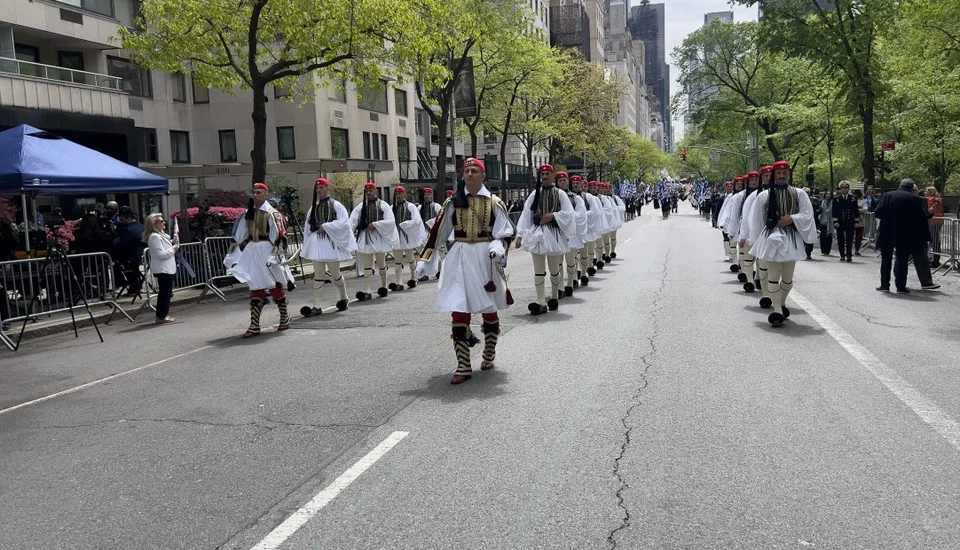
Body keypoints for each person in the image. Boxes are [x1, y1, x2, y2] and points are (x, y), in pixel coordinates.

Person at [415, 158, 516, 385]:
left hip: (484, 258)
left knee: (488, 308)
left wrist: (498, 246)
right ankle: (463, 364)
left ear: (483, 176)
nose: (469, 174)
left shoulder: (494, 202)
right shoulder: (452, 202)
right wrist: (425, 260)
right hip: (459, 256)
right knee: (458, 308)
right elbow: (438, 233)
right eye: (466, 171)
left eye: (474, 171)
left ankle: (489, 350)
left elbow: (506, 231)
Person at [744, 160, 817, 328]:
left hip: (791, 239)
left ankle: (782, 303)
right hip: (771, 239)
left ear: (789, 174)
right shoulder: (763, 196)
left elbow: (807, 214)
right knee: (774, 277)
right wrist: (755, 242)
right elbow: (755, 221)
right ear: (774, 175)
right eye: (779, 173)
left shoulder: (799, 194)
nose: (782, 176)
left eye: (784, 173)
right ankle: (776, 310)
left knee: (788, 279)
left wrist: (792, 218)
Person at [226, 183, 296, 337]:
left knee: (274, 284)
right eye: (254, 192)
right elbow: (240, 235)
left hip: (267, 251)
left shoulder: (272, 213)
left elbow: (278, 236)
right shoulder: (247, 213)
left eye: (259, 192)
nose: (255, 195)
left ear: (266, 194)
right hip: (252, 251)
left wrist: (275, 256)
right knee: (255, 285)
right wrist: (233, 254)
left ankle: (284, 315)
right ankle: (254, 324)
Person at [515, 164, 575, 315]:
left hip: (553, 234)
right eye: (543, 174)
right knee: (539, 271)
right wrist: (520, 234)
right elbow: (526, 214)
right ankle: (541, 301)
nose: (545, 176)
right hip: (537, 234)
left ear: (553, 175)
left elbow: (569, 213)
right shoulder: (534, 194)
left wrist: (553, 215)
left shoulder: (560, 194)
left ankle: (554, 296)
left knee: (554, 270)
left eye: (548, 174)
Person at [299, 177, 354, 316]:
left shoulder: (336, 205)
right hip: (317, 243)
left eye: (321, 188)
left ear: (327, 188)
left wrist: (326, 227)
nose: (319, 190)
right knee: (319, 275)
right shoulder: (314, 206)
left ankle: (344, 297)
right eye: (317, 188)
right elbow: (307, 226)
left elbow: (344, 223)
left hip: (330, 243)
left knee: (335, 274)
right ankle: (316, 306)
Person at [875, 179, 940, 293]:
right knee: (902, 260)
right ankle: (900, 287)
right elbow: (921, 217)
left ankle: (884, 285)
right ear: (911, 188)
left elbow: (878, 212)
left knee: (886, 260)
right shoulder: (917, 199)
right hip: (905, 233)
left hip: (887, 232)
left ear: (900, 186)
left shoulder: (887, 195)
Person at [350, 182, 398, 301]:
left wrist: (375, 225)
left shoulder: (383, 205)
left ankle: (384, 286)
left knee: (381, 263)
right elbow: (352, 221)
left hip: (378, 237)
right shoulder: (360, 206)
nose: (369, 193)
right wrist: (349, 235)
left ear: (376, 191)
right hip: (365, 237)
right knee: (367, 265)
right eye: (367, 191)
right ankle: (367, 289)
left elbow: (390, 221)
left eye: (371, 190)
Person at [388, 185, 426, 291]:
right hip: (397, 237)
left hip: (407, 236)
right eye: (397, 194)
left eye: (400, 193)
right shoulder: (391, 208)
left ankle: (414, 278)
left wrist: (405, 225)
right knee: (397, 260)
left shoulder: (411, 206)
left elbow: (417, 221)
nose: (398, 195)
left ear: (404, 194)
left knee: (410, 258)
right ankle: (399, 282)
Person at [143, 213, 178, 324]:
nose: (164, 223)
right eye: (161, 221)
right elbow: (161, 254)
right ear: (154, 224)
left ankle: (164, 314)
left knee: (167, 292)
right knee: (164, 293)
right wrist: (173, 249)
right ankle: (161, 316)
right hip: (163, 268)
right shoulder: (154, 237)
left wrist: (172, 243)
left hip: (168, 267)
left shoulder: (162, 235)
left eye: (163, 221)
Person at [556, 171, 587, 297]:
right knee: (557, 263)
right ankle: (559, 287)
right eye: (560, 180)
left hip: (570, 234)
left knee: (570, 261)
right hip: (557, 233)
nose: (563, 182)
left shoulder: (576, 198)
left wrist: (564, 217)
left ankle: (569, 283)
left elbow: (580, 215)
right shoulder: (553, 196)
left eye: (564, 180)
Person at [832, 181, 859, 262]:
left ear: (848, 189)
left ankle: (849, 255)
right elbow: (834, 211)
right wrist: (835, 221)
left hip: (849, 221)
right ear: (840, 189)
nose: (844, 190)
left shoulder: (853, 198)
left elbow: (856, 211)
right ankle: (842, 255)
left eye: (846, 188)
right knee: (840, 239)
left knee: (849, 239)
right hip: (840, 222)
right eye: (842, 188)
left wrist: (856, 222)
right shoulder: (836, 199)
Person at [926, 186, 944, 268]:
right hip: (939, 220)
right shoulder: (938, 199)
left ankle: (934, 261)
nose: (925, 192)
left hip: (932, 221)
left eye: (927, 191)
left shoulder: (929, 200)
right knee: (936, 240)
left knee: (933, 241)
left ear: (930, 192)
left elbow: (928, 210)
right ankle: (936, 259)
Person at [818, 190, 835, 256]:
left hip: (830, 221)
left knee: (829, 236)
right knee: (822, 236)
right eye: (827, 194)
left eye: (829, 194)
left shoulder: (833, 203)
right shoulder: (822, 202)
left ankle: (827, 250)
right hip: (823, 221)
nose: (828, 195)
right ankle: (823, 250)